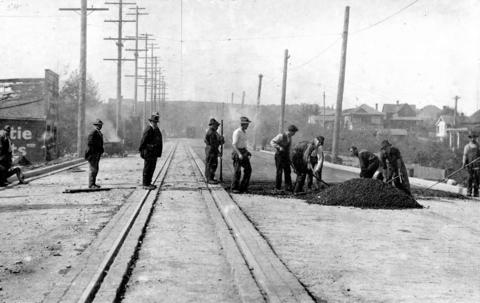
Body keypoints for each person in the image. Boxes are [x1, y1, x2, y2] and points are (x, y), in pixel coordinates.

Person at [270, 124, 298, 191]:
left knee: (287, 171)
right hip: (279, 155)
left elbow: (289, 149)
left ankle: (288, 187)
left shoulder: (290, 138)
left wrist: (290, 157)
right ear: (291, 131)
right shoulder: (281, 135)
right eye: (294, 132)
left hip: (286, 156)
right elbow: (272, 142)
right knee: (279, 171)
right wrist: (279, 147)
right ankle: (277, 187)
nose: (294, 134)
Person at [139, 113, 163, 190]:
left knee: (152, 168)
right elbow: (143, 142)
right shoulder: (148, 129)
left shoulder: (155, 129)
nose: (155, 123)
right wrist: (142, 151)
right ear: (151, 122)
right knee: (147, 168)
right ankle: (145, 184)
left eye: (156, 122)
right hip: (148, 153)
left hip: (153, 153)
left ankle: (149, 183)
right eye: (154, 122)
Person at [231, 116, 252, 193]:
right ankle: (234, 188)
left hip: (243, 151)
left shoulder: (244, 132)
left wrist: (247, 151)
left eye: (248, 124)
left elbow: (243, 144)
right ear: (243, 124)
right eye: (247, 124)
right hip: (237, 152)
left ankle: (243, 187)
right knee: (237, 171)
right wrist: (239, 154)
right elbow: (234, 145)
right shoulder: (237, 132)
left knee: (248, 170)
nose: (248, 125)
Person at [85, 119, 104, 189]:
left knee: (95, 169)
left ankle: (93, 184)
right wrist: (95, 151)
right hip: (92, 154)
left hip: (96, 154)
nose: (101, 126)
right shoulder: (93, 133)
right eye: (100, 125)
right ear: (96, 125)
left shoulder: (98, 133)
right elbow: (90, 143)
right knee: (93, 169)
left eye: (101, 125)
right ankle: (91, 184)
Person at [204, 118, 224, 184]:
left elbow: (218, 141)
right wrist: (218, 152)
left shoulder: (214, 132)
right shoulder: (211, 132)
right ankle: (209, 179)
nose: (217, 127)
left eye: (217, 126)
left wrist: (221, 140)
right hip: (211, 150)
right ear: (212, 125)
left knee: (213, 164)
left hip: (212, 150)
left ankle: (211, 178)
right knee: (211, 164)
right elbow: (214, 144)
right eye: (216, 125)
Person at [463, 131, 480, 197]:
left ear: (476, 138)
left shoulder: (478, 146)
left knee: (477, 178)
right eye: (472, 138)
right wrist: (464, 163)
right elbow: (465, 155)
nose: (473, 139)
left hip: (477, 165)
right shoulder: (467, 146)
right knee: (469, 178)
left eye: (474, 138)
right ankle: (469, 192)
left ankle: (476, 192)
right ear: (470, 138)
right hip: (469, 164)